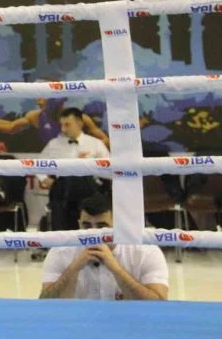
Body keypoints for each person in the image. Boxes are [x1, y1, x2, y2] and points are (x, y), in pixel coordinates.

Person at [39, 192, 169, 300]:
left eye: (102, 227)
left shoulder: (146, 251)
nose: (94, 234)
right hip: (80, 321)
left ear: (119, 226)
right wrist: (73, 269)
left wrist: (116, 269)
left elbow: (159, 305)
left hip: (129, 321)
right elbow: (46, 305)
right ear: (79, 224)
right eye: (87, 226)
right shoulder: (60, 251)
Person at [40, 107, 111, 231]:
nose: (63, 129)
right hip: (62, 191)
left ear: (79, 123)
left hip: (89, 190)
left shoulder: (96, 144)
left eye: (67, 125)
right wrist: (44, 178)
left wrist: (90, 166)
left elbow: (110, 170)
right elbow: (38, 164)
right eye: (61, 125)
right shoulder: (54, 144)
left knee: (82, 179)